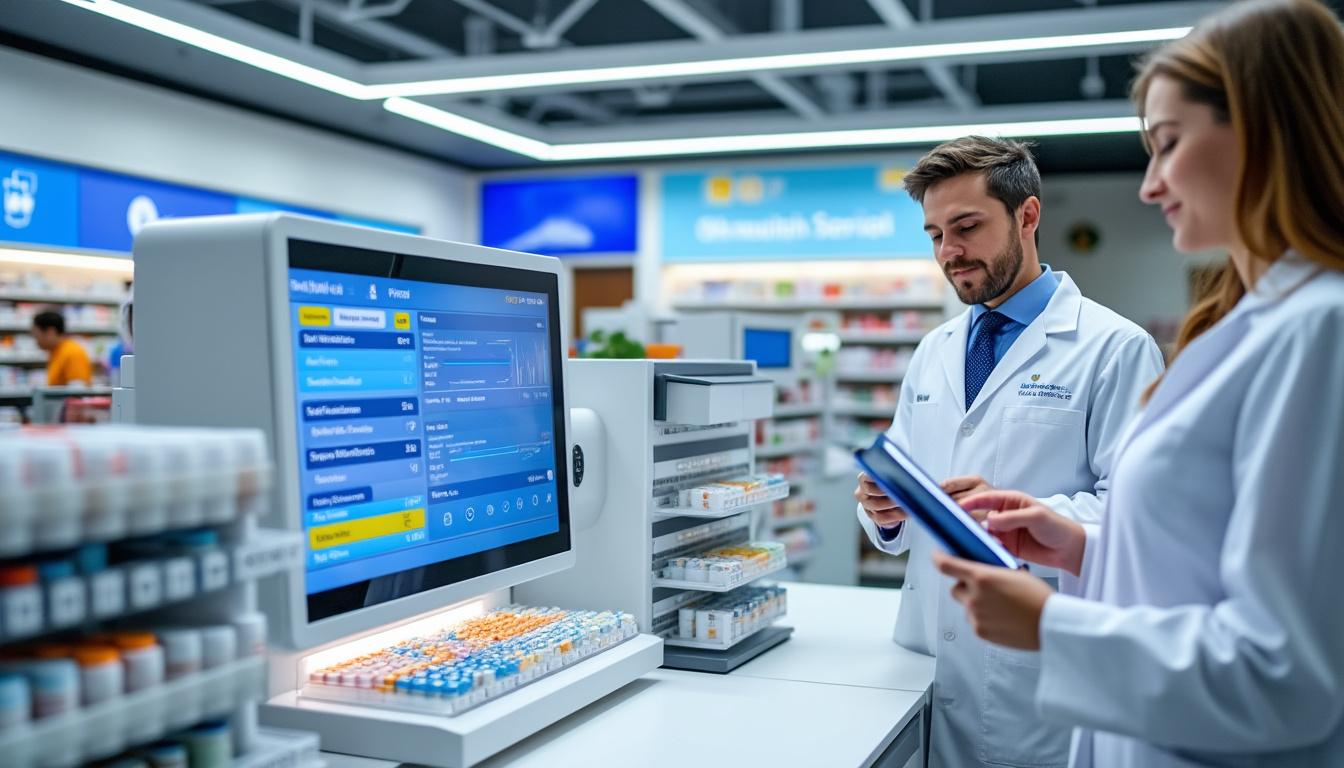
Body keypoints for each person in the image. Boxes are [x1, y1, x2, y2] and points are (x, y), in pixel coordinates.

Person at [933, 1, 1344, 766]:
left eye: (1168, 145)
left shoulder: (1320, 331)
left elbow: (1288, 673)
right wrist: (1082, 545)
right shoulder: (1253, 323)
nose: (1150, 186)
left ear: (1265, 130)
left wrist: (1051, 627)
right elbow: (1205, 552)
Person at [854, 136, 1165, 768]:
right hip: (925, 659)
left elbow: (1138, 515)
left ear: (1028, 216)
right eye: (935, 234)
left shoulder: (1114, 348)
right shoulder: (934, 349)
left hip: (1034, 672)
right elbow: (908, 480)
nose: (949, 253)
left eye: (966, 227)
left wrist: (1023, 516)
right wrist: (883, 510)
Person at [31, 309, 92, 387]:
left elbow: (79, 391)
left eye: (37, 336)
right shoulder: (55, 351)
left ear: (50, 332)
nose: (36, 341)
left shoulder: (73, 352)